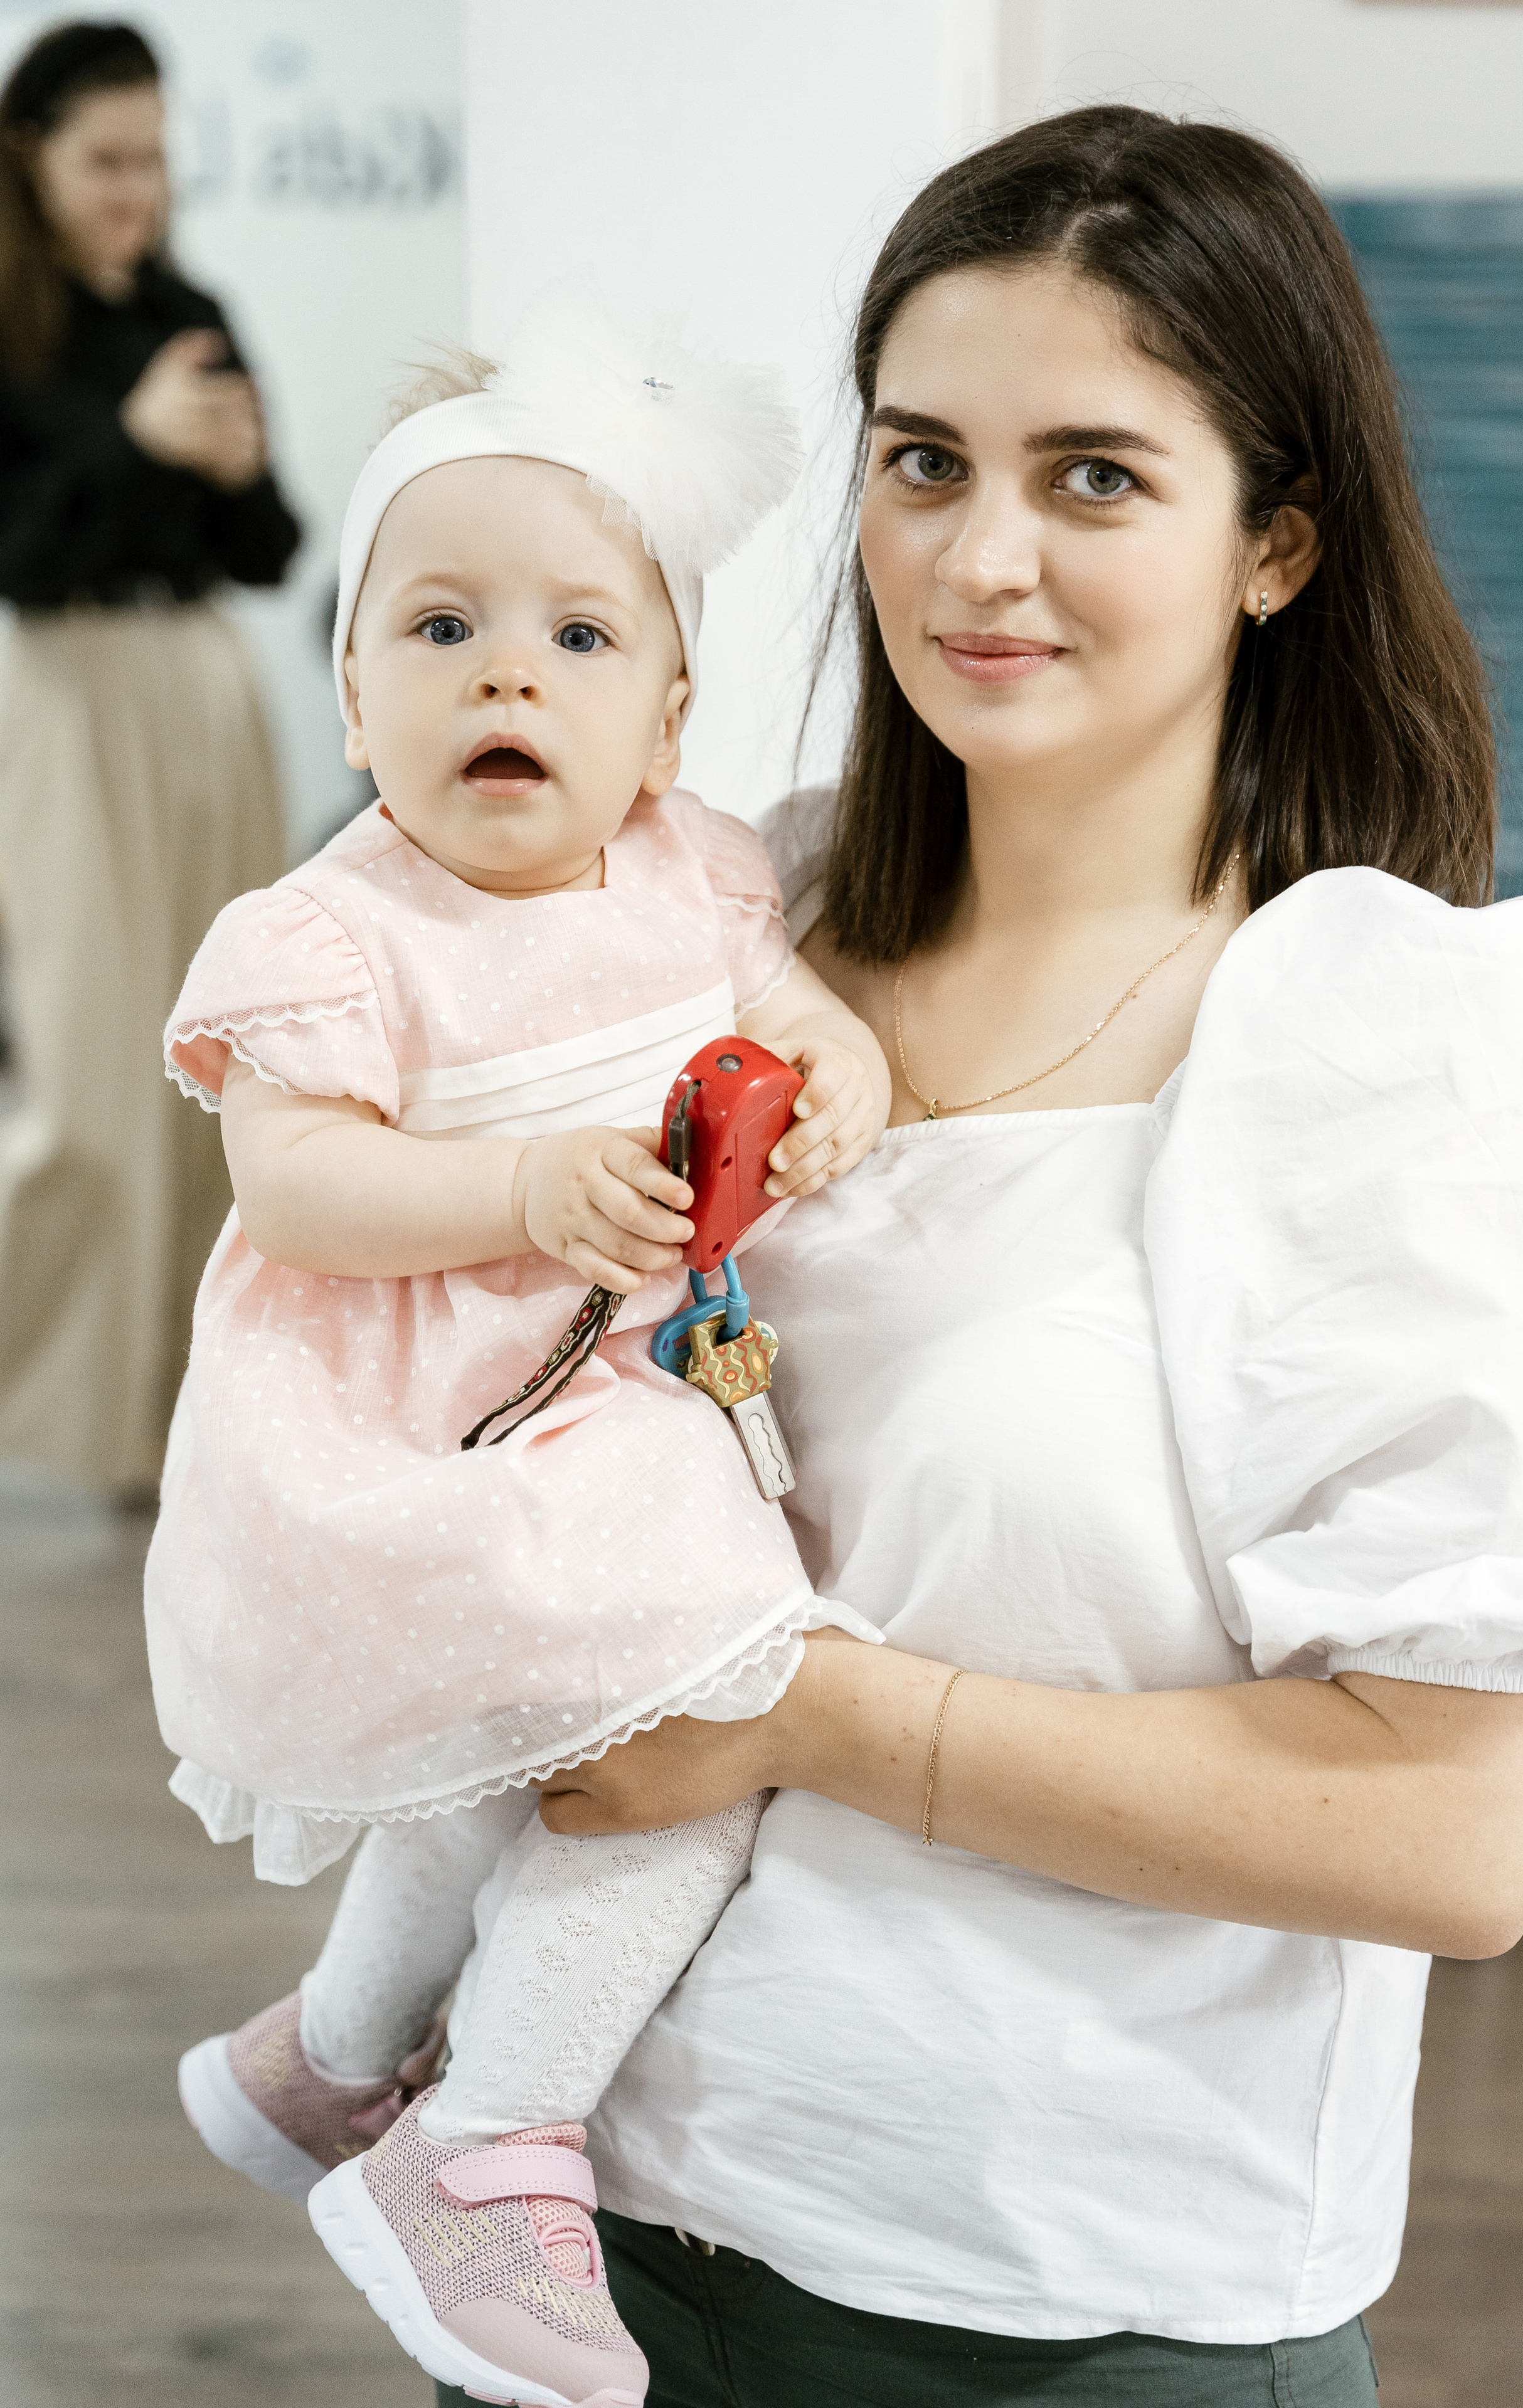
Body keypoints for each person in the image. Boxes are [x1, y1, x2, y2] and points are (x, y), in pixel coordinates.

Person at [411, 108, 1523, 2408]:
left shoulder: (1381, 1031)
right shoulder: (717, 912)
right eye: (923, 459)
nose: (979, 559)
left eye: (1096, 478)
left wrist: (803, 1712)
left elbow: (1459, 1831)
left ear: (1280, 547)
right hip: (566, 2251)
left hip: (1047, 2315)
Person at [147, 302, 888, 2407]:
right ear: (359, 693)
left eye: (578, 641)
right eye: (441, 626)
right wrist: (522, 1194)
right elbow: (288, 1187)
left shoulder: (704, 875)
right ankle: (492, 2138)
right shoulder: (329, 933)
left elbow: (815, 1013)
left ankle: (332, 2059)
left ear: (662, 722)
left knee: (502, 1758)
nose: (505, 672)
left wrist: (834, 1076)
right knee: (718, 1696)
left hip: (612, 1402)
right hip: (408, 1424)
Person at [0, 21, 298, 1495]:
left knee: (231, 1054)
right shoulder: (13, 325)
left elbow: (274, 548)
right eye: (105, 161)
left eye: (153, 159)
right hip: (61, 685)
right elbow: (21, 550)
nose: (137, 190)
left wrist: (237, 473)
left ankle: (197, 1418)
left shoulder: (191, 306)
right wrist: (128, 439)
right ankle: (64, 1417)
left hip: (201, 683)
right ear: (31, 159)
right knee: (87, 1070)